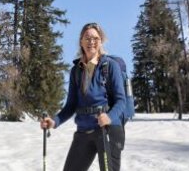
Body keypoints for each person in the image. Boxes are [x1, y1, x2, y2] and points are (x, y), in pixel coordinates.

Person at [40, 22, 127, 171]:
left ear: (101, 41)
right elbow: (71, 105)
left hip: (107, 129)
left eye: (95, 38)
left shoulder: (110, 66)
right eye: (87, 38)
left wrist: (109, 117)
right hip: (84, 130)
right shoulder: (76, 71)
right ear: (81, 41)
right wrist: (54, 122)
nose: (91, 42)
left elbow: (121, 101)